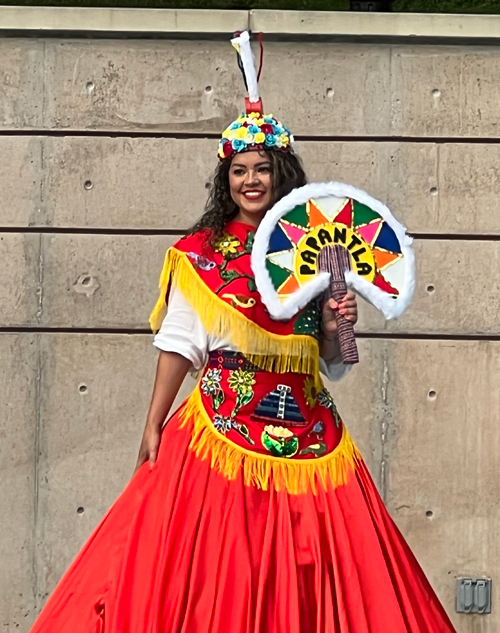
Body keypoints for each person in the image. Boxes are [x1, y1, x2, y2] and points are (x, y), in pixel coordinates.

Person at [29, 33, 458, 633]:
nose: (250, 181)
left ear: (282, 175)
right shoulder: (202, 254)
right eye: (239, 171)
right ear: (224, 178)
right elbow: (180, 341)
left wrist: (341, 323)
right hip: (220, 433)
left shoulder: (321, 254)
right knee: (208, 576)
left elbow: (337, 361)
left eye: (261, 170)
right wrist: (153, 420)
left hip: (311, 436)